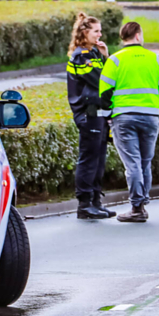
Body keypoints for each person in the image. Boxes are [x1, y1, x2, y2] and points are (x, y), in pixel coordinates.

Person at [99, 22, 159, 223]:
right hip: (150, 117)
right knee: (145, 162)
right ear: (138, 36)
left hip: (123, 117)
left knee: (132, 163)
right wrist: (157, 109)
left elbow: (104, 92)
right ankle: (142, 203)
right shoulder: (154, 59)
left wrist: (108, 116)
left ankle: (137, 207)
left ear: (123, 37)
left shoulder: (114, 60)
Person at [67, 13, 114, 220]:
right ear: (84, 32)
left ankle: (95, 201)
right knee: (89, 160)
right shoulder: (81, 56)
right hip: (89, 114)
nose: (100, 34)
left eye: (100, 31)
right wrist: (105, 60)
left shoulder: (93, 53)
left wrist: (104, 56)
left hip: (99, 114)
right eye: (96, 31)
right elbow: (103, 81)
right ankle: (85, 205)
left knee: (99, 160)